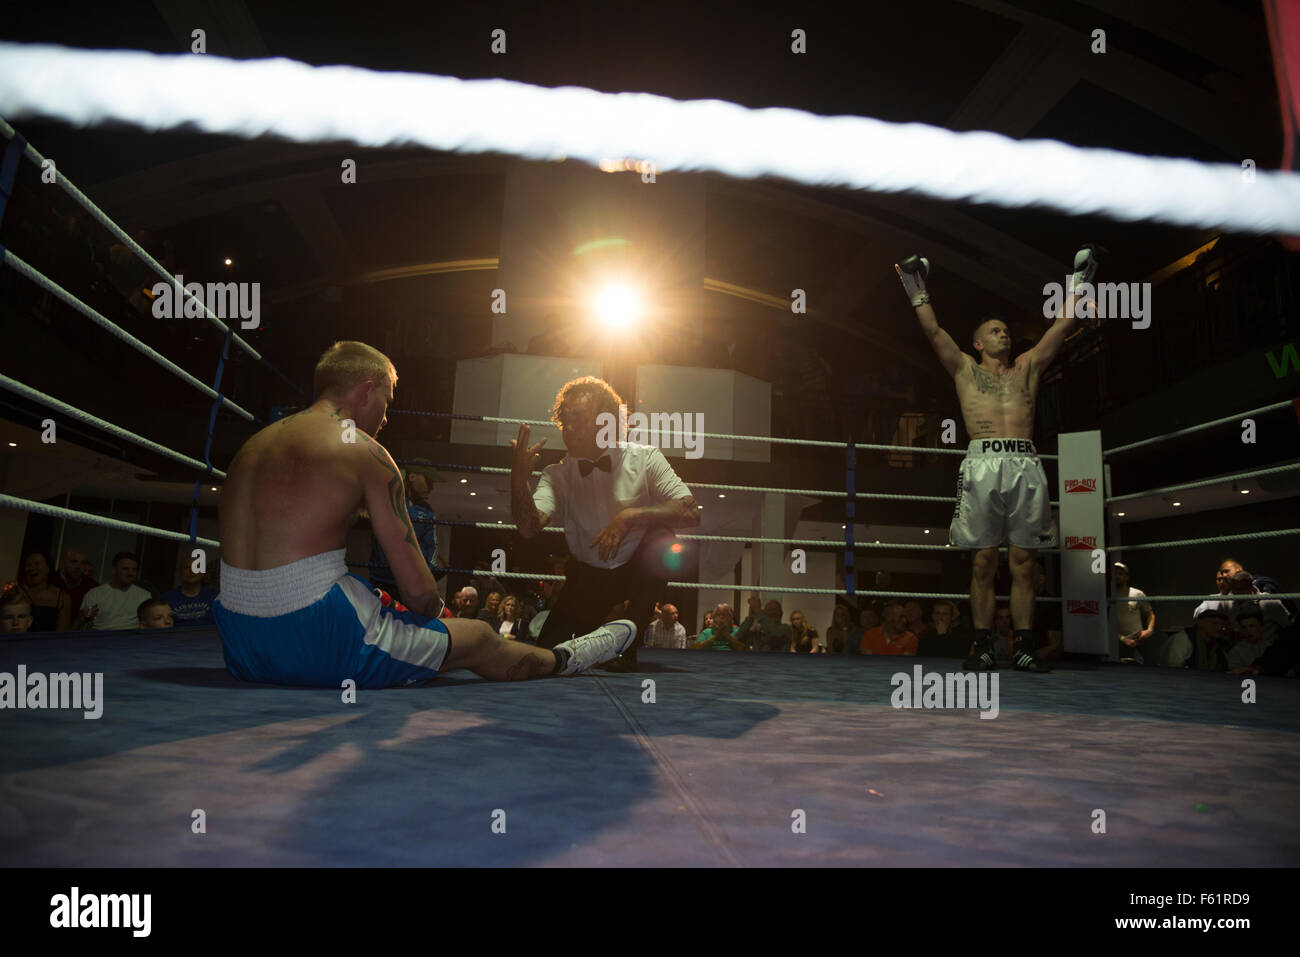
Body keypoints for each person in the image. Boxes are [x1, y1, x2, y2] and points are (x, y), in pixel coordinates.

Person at [211, 341, 634, 687]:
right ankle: (568, 658)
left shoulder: (252, 447)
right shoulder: (366, 452)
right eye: (386, 401)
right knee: (482, 637)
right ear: (365, 390)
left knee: (369, 596)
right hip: (316, 643)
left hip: (239, 645)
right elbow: (421, 596)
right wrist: (432, 611)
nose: (385, 417)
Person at [898, 243, 1103, 674]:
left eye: (1006, 330)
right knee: (984, 559)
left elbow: (1062, 327)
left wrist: (1082, 280)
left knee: (1025, 562)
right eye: (994, 330)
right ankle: (983, 647)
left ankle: (1025, 647)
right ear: (977, 342)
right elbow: (933, 332)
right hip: (982, 462)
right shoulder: (964, 369)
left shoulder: (1027, 367)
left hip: (1025, 462)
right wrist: (916, 284)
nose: (1004, 334)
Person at [512, 376, 700, 672]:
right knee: (549, 656)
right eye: (565, 419)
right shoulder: (556, 475)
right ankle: (600, 631)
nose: (569, 428)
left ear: (607, 422)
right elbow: (528, 528)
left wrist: (631, 516)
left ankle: (627, 644)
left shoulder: (644, 458)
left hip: (636, 570)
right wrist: (519, 480)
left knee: (662, 538)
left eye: (580, 419)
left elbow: (691, 513)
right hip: (589, 576)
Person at [371, 467, 443, 591]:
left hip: (412, 580)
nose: (432, 487)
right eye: (429, 481)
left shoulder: (427, 511)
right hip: (383, 576)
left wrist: (428, 573)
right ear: (412, 477)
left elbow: (432, 546)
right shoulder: (387, 500)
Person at [81, 552, 153, 631]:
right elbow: (82, 621)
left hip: (132, 638)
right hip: (102, 637)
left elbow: (150, 623)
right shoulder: (94, 594)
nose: (130, 573)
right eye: (125, 569)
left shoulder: (145, 595)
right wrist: (86, 617)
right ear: (114, 570)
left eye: (134, 570)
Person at [17, 551, 71, 632]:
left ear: (48, 568)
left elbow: (62, 634)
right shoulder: (15, 593)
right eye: (28, 565)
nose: (32, 568)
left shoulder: (62, 597)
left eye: (37, 564)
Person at [161, 551, 219, 627]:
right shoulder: (166, 599)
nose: (192, 571)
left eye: (196, 567)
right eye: (187, 568)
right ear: (180, 572)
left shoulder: (215, 597)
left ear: (202, 572)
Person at [1112, 562, 1155, 663]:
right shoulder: (1107, 595)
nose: (1117, 576)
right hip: (1114, 642)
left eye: (1120, 574)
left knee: (1139, 670)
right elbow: (1103, 622)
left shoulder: (1137, 593)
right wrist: (1122, 639)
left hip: (1136, 642)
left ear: (1126, 577)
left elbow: (1150, 614)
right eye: (1114, 574)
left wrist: (1149, 630)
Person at [1164, 607, 1230, 671]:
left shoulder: (1220, 646)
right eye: (1214, 623)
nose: (1219, 628)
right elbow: (1173, 670)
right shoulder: (1184, 640)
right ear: (1200, 623)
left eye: (1222, 625)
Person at [49, 546, 98, 622]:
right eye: (74, 562)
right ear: (64, 562)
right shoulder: (50, 580)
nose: (78, 566)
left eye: (82, 563)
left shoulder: (91, 586)